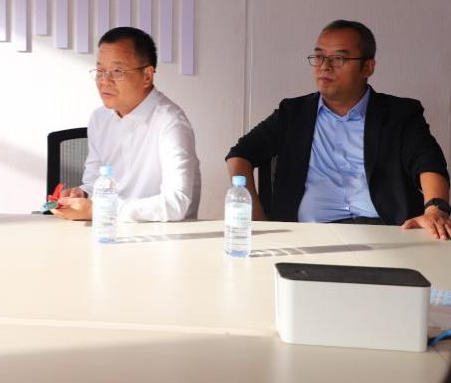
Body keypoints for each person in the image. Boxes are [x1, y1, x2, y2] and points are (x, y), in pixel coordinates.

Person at [225, 20, 450, 239]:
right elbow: (240, 155)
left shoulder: (400, 114)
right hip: (309, 235)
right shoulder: (293, 114)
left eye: (338, 58)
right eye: (319, 57)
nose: (325, 66)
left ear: (367, 67)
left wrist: (435, 208)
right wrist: (256, 218)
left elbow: (428, 162)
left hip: (386, 232)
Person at [53, 27, 201, 222]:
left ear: (147, 75)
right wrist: (83, 194)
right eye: (100, 70)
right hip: (108, 230)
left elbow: (176, 204)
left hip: (162, 234)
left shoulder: (171, 122)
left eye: (117, 71)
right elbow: (93, 183)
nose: (104, 81)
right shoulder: (99, 118)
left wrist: (100, 210)